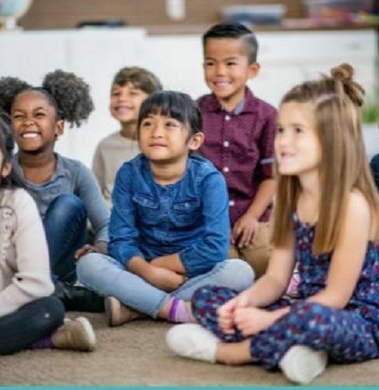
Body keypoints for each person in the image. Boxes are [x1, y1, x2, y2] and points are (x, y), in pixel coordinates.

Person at [166, 63, 379, 385]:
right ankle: (300, 351)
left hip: (357, 322)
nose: (283, 141)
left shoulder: (353, 205)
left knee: (311, 318)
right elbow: (277, 279)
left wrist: (266, 321)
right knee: (207, 297)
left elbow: (335, 297)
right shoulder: (291, 199)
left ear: (332, 140)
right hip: (303, 309)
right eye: (281, 130)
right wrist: (245, 303)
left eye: (298, 131)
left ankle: (232, 352)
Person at [76, 90, 254, 327]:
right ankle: (174, 309)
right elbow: (120, 239)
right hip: (138, 267)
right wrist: (147, 272)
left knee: (240, 272)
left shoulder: (209, 179)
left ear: (194, 140)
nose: (156, 132)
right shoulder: (129, 174)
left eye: (170, 125)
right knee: (88, 264)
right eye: (148, 123)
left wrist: (159, 267)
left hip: (190, 271)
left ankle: (135, 307)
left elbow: (215, 248)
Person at [0, 70, 109, 312]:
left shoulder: (76, 172)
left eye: (39, 115)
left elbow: (106, 224)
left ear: (59, 127)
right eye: (18, 116)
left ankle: (45, 287)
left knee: (67, 204)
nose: (28, 121)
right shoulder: (1, 169)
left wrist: (100, 247)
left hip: (61, 263)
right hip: (11, 264)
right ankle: (59, 294)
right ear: (9, 126)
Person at [0, 111, 96, 355]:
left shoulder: (17, 203)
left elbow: (36, 283)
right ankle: (41, 340)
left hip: (6, 307)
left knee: (49, 310)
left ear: (6, 167)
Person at [197, 23, 278, 278]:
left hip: (254, 216)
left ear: (252, 69)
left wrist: (252, 217)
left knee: (267, 263)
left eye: (231, 63)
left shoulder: (267, 116)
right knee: (224, 267)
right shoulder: (193, 112)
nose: (220, 72)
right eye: (211, 63)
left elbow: (271, 176)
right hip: (208, 220)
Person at [92, 66, 162, 207]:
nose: (122, 99)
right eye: (116, 94)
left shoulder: (162, 144)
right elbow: (95, 194)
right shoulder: (105, 146)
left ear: (154, 102)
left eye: (133, 93)